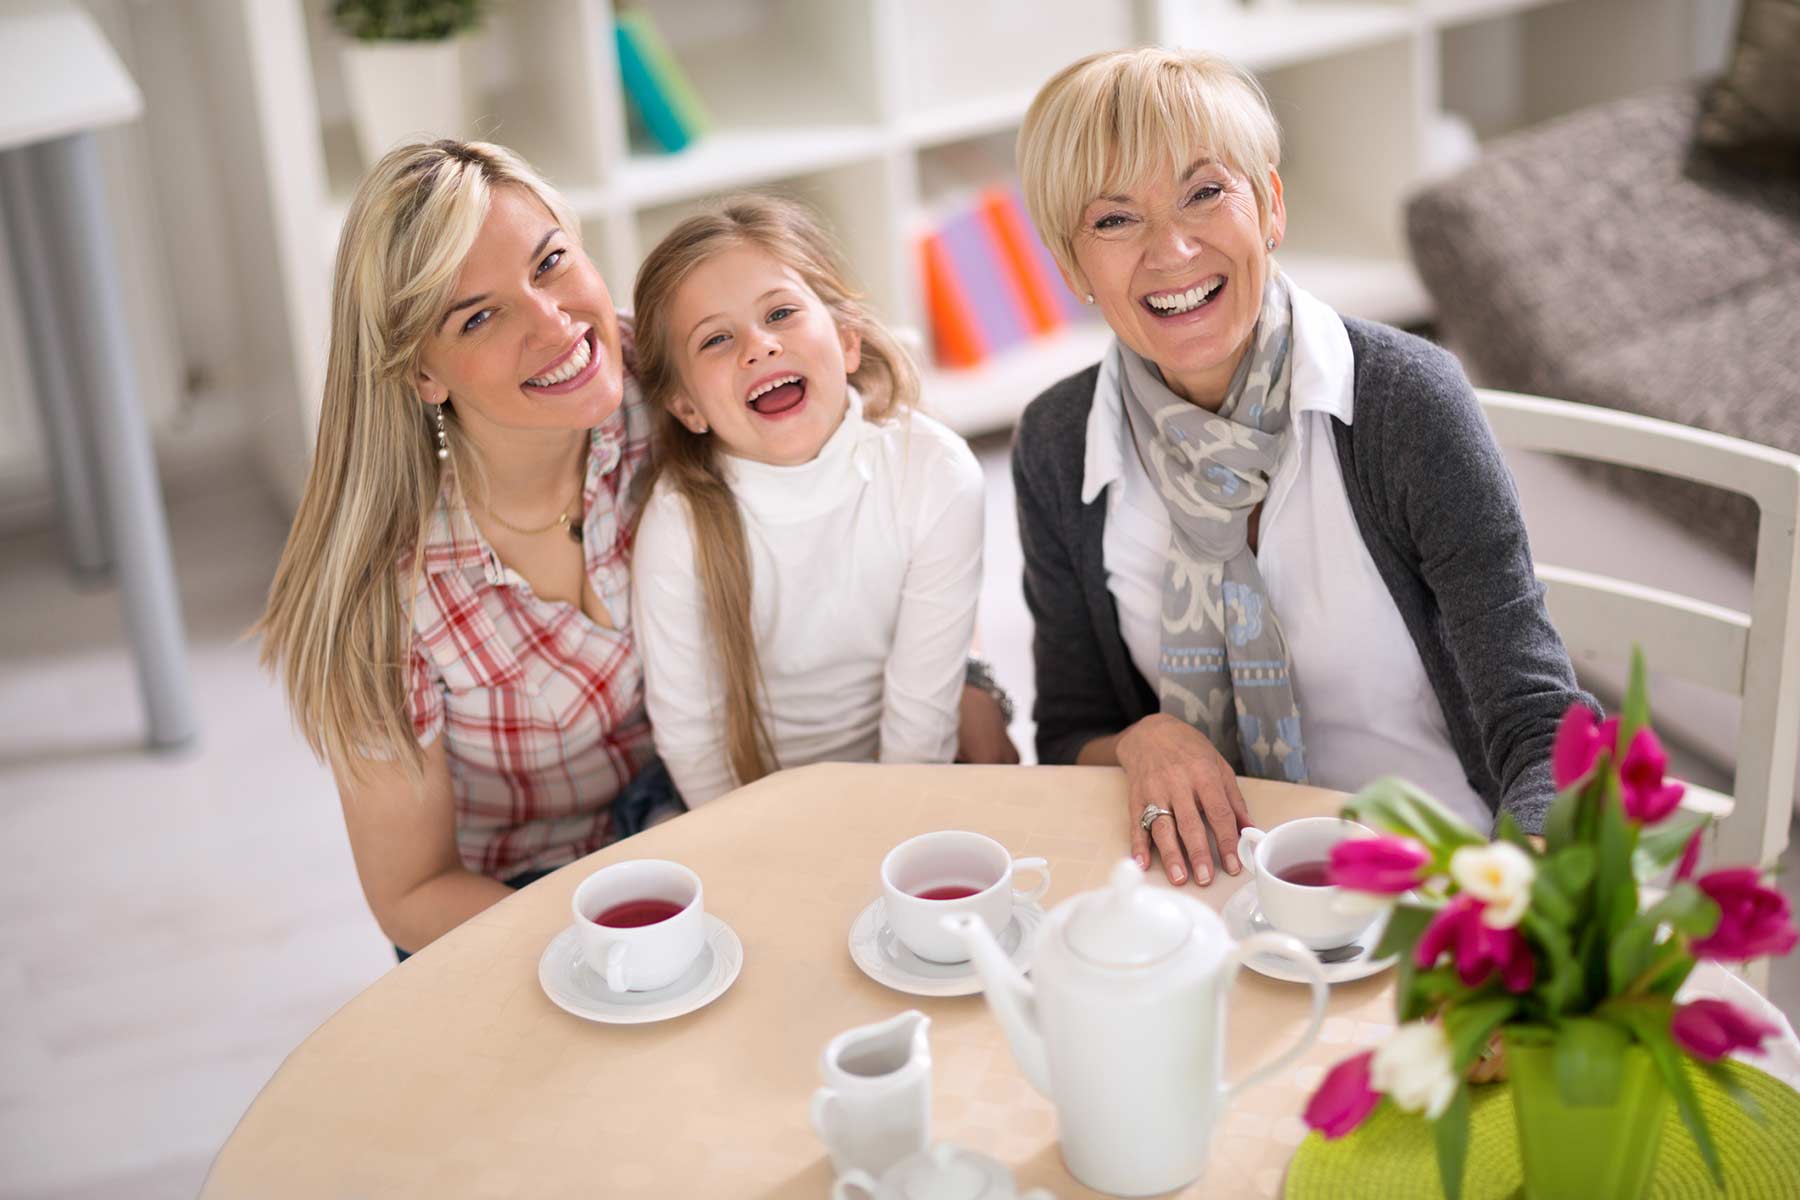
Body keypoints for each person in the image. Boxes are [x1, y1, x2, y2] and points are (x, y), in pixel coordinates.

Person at [256, 142, 1014, 957]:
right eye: (478, 316)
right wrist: (638, 934)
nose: (553, 324)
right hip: (522, 905)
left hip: (705, 820)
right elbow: (411, 894)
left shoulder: (686, 373)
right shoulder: (387, 596)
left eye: (550, 263)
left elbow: (886, 500)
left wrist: (967, 679)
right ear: (422, 374)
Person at [1009, 49, 1593, 888]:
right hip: (1213, 889)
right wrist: (1142, 739)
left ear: (1271, 206)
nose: (1172, 249)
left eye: (1205, 192)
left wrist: (1508, 909)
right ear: (1072, 268)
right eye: (1114, 220)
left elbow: (1543, 726)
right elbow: (1070, 732)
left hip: (1439, 874)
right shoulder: (1059, 444)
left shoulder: (1403, 404)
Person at [629, 194, 987, 805]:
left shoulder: (936, 473)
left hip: (907, 773)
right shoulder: (678, 522)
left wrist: (886, 834)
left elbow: (920, 720)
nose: (758, 346)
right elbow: (692, 738)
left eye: (782, 312)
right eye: (715, 340)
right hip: (736, 803)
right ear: (686, 407)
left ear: (848, 341)